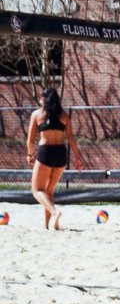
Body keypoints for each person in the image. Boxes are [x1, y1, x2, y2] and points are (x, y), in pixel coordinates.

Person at [26, 87, 82, 230]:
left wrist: (30, 154)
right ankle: (48, 226)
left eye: (41, 97)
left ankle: (55, 211)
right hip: (61, 154)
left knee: (36, 190)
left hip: (46, 152)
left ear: (44, 99)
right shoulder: (64, 116)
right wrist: (78, 157)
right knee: (48, 191)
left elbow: (30, 141)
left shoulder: (37, 114)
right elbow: (71, 138)